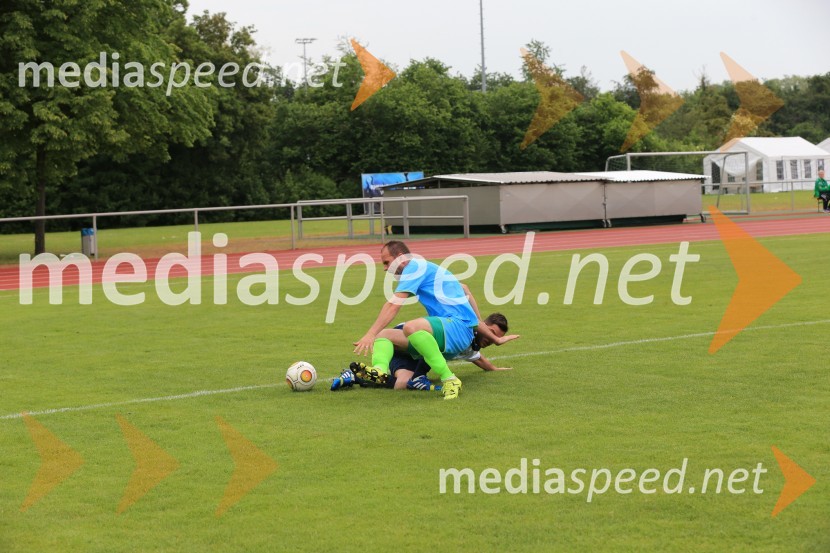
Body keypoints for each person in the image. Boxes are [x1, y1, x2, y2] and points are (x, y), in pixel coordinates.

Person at [352, 240, 518, 400]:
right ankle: (379, 371)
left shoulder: (415, 267)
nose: (386, 268)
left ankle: (449, 379)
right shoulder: (429, 269)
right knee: (384, 334)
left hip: (457, 328)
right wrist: (491, 334)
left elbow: (393, 305)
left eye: (387, 262)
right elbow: (465, 288)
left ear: (400, 257)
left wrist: (369, 334)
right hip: (452, 332)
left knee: (411, 327)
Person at [333, 312, 514, 391]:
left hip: (412, 356)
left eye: (496, 337)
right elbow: (433, 345)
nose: (491, 340)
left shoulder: (471, 346)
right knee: (385, 335)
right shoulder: (464, 331)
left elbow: (479, 359)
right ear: (482, 325)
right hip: (408, 339)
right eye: (491, 333)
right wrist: (421, 374)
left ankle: (354, 377)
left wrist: (495, 369)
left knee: (401, 385)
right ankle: (379, 368)